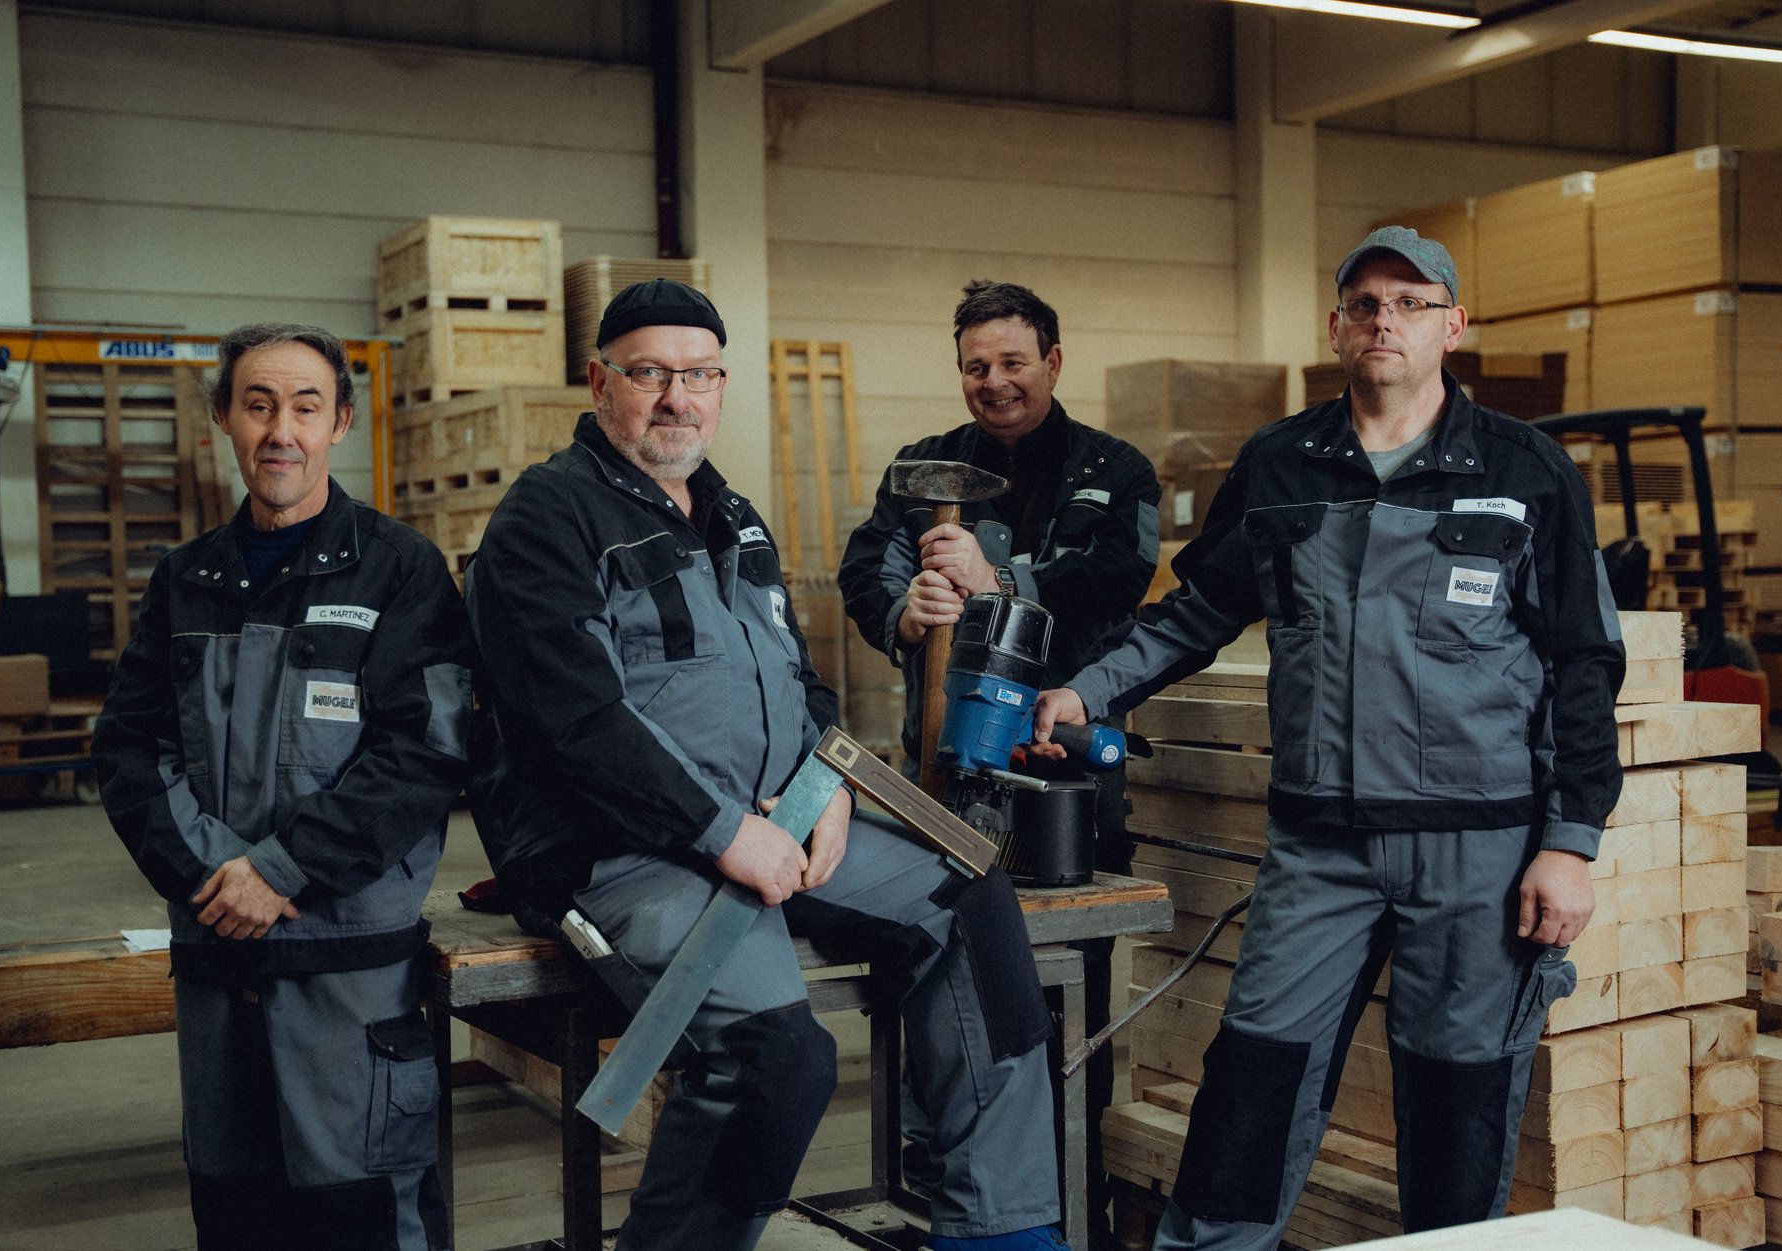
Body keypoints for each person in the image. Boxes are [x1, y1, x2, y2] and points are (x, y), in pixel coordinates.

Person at [1033, 227, 1625, 1249]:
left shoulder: (1525, 470)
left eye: (1411, 301)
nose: (1385, 319)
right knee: (1252, 1083)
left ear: (1452, 325)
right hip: (1321, 847)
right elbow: (1194, 612)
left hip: (1478, 849)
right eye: (1365, 303)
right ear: (1338, 326)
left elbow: (1583, 662)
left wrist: (1569, 843)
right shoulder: (1280, 464)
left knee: (1458, 1104)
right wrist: (1089, 691)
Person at [466, 279, 1066, 1251]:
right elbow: (572, 721)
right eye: (650, 374)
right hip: (623, 851)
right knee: (774, 1061)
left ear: (721, 384)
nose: (678, 398)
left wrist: (829, 793)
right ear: (601, 383)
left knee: (971, 900)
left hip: (775, 823)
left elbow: (801, 683)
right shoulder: (548, 518)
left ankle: (1001, 1232)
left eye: (699, 375)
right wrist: (723, 833)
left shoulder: (732, 514)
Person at [93, 323, 473, 1251]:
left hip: (345, 967)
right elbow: (130, 748)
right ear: (223, 418)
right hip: (219, 962)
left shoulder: (399, 569)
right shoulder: (184, 581)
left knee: (362, 1218)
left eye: (306, 407)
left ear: (340, 422)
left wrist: (283, 870)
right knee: (235, 1219)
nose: (281, 431)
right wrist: (218, 877)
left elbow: (424, 749)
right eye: (258, 405)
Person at [838, 280, 1160, 873]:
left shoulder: (1117, 471)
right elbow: (863, 573)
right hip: (944, 753)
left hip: (1071, 753)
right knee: (938, 907)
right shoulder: (923, 468)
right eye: (976, 367)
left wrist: (999, 584)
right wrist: (907, 616)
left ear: (1052, 363)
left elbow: (1118, 579)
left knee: (1080, 909)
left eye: (1013, 363)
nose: (994, 382)